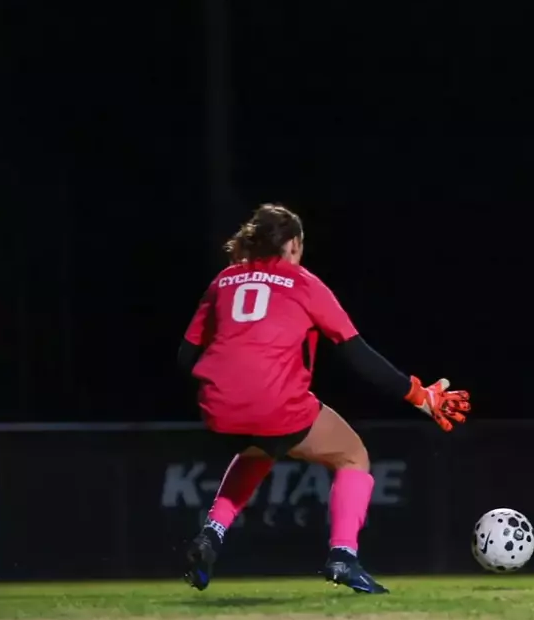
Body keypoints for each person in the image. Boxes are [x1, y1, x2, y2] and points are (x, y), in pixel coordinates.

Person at [178, 204, 469, 594]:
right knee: (352, 455)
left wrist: (231, 383)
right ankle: (343, 557)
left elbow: (186, 356)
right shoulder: (303, 283)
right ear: (294, 243)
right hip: (275, 404)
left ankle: (211, 534)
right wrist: (419, 395)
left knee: (258, 450)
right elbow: (357, 353)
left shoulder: (223, 281)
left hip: (218, 406)